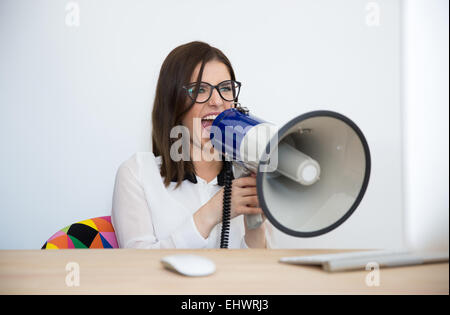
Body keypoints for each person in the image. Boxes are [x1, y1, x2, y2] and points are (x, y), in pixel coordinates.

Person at [111, 41, 270, 249]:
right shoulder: (138, 173)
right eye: (200, 89)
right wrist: (213, 211)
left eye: (225, 88)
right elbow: (139, 266)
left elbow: (260, 276)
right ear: (173, 101)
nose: (217, 101)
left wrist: (255, 228)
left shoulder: (250, 173)